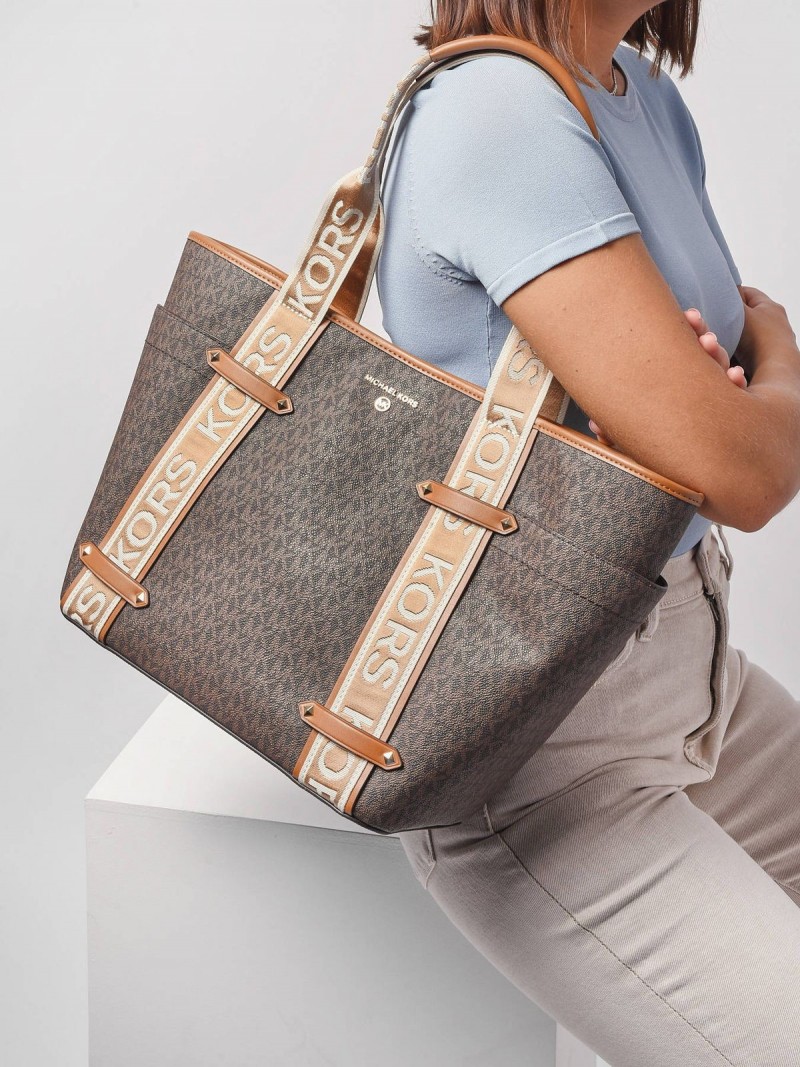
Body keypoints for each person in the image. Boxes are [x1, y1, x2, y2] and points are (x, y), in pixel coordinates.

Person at [375, 2, 800, 1063]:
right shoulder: (497, 110)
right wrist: (780, 357)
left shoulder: (640, 95)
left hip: (698, 682)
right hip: (548, 754)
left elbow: (720, 424)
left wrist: (723, 410)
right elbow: (743, 468)